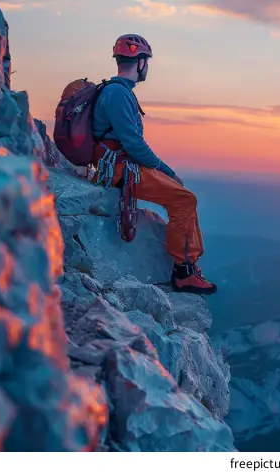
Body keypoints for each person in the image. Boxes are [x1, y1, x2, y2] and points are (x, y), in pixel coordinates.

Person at [91, 34, 217, 295]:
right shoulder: (118, 94)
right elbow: (134, 144)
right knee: (183, 200)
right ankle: (183, 272)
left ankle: (190, 265)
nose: (146, 68)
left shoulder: (116, 92)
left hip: (120, 163)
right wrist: (166, 171)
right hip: (119, 167)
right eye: (145, 62)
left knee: (185, 198)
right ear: (139, 62)